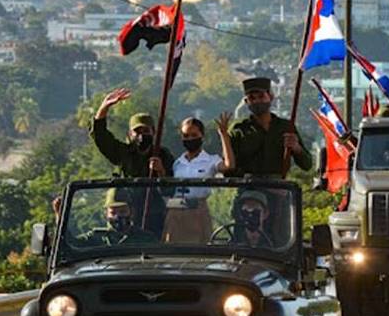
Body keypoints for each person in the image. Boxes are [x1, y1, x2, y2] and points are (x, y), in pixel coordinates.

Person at [162, 113, 236, 244]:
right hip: (176, 211)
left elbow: (229, 165)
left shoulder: (210, 160)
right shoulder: (178, 163)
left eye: (194, 135)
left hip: (198, 211)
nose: (190, 139)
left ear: (202, 136)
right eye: (186, 136)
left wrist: (224, 135)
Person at [228, 77, 312, 178]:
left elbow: (307, 165)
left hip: (279, 186)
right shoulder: (239, 130)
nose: (257, 101)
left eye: (261, 96)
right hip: (249, 187)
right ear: (246, 102)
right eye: (252, 98)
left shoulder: (286, 127)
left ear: (270, 97)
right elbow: (229, 170)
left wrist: (297, 148)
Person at [91, 88, 174, 178]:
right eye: (137, 131)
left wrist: (161, 170)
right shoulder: (123, 153)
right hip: (128, 192)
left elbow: (171, 185)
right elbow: (100, 135)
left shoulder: (163, 155)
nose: (141, 135)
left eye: (146, 131)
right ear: (130, 134)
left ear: (153, 132)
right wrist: (104, 107)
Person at [75, 189, 157, 247]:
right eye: (113, 213)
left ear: (131, 212)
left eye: (122, 212)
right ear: (106, 214)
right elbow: (72, 243)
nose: (117, 216)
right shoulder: (96, 237)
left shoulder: (146, 239)